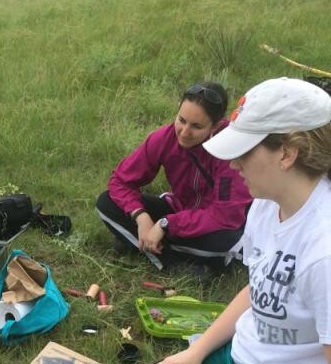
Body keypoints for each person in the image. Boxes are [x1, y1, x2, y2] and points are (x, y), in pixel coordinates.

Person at [100, 77, 331, 364]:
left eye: (243, 152)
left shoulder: (323, 249)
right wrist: (198, 351)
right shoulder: (266, 203)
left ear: (287, 153)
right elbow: (257, 286)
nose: (234, 165)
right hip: (240, 355)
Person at [95, 82, 252, 271]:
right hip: (178, 209)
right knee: (106, 202)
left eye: (196, 126)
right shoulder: (164, 138)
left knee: (225, 243)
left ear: (216, 126)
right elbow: (120, 181)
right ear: (178, 108)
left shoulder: (230, 151)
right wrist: (141, 217)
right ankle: (178, 260)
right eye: (181, 120)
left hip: (219, 224)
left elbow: (226, 216)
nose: (184, 132)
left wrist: (165, 224)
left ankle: (142, 246)